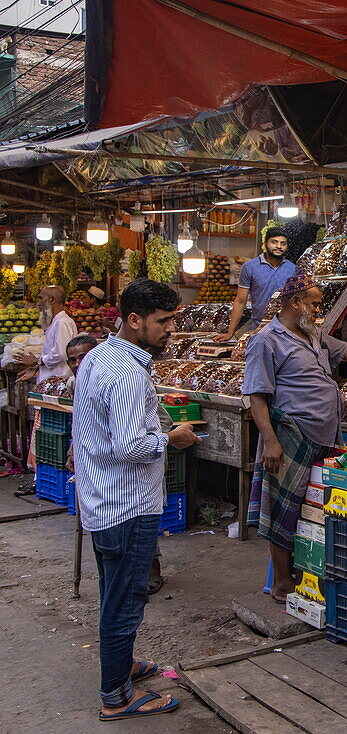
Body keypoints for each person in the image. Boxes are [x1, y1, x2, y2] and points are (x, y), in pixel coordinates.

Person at [72, 279, 203, 722]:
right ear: (134, 320)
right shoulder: (126, 372)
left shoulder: (99, 355)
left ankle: (121, 666)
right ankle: (116, 696)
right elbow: (132, 445)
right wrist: (172, 437)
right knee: (125, 600)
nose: (170, 330)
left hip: (104, 499)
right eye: (163, 322)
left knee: (116, 592)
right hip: (125, 505)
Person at [243, 274, 347, 601]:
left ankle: (306, 573)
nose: (318, 309)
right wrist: (271, 441)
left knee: (312, 506)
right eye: (314, 303)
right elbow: (257, 397)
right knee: (283, 509)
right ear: (295, 303)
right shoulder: (266, 340)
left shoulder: (312, 335)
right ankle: (281, 583)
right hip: (291, 434)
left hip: (324, 434)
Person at [213, 228, 296, 342]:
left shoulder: (293, 269)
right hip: (258, 329)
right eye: (274, 242)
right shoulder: (250, 267)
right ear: (265, 243)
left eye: (283, 243)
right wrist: (230, 333)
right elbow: (240, 301)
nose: (279, 246)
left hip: (287, 331)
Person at [15, 285, 78, 382]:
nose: (39, 303)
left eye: (41, 298)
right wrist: (37, 367)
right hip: (51, 378)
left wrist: (38, 361)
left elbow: (61, 354)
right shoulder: (56, 322)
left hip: (58, 379)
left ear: (52, 300)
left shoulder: (62, 322)